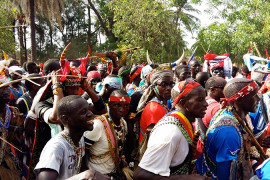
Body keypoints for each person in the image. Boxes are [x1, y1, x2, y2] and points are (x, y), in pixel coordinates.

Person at [134, 79, 208, 179]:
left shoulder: (184, 123)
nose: (206, 104)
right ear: (183, 103)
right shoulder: (170, 132)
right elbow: (141, 175)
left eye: (204, 99)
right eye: (200, 100)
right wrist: (187, 178)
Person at [196, 78, 259, 180]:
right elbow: (226, 176)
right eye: (254, 96)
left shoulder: (234, 115)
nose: (259, 99)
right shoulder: (228, 132)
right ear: (240, 100)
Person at [34, 95, 108, 180]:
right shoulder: (56, 147)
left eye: (89, 109)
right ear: (66, 119)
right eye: (83, 112)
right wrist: (86, 175)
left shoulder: (79, 140)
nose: (90, 114)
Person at [84, 90, 132, 179]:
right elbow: (82, 152)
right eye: (117, 105)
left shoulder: (123, 123)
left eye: (126, 105)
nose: (122, 109)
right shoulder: (98, 125)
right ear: (109, 105)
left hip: (113, 175)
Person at [137, 70, 174, 144]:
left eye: (171, 84)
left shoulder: (162, 103)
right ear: (154, 86)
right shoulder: (154, 108)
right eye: (163, 84)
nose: (169, 88)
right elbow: (159, 141)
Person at [195, 76, 227, 158]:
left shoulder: (202, 103)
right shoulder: (217, 108)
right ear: (212, 90)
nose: (228, 90)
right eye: (224, 88)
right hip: (211, 154)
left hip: (199, 150)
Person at [0, 78, 24, 179]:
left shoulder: (13, 112)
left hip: (7, 157)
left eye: (7, 88)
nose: (6, 91)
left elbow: (15, 140)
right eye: (2, 88)